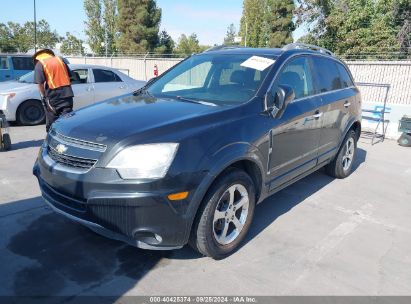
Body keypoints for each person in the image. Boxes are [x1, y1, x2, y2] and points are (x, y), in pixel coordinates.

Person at [33, 49, 74, 132]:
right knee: (67, 118)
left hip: (53, 95)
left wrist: (44, 96)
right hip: (68, 93)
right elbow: (70, 77)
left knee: (52, 120)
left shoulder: (40, 63)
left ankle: (53, 139)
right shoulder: (60, 60)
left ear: (37, 57)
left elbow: (39, 84)